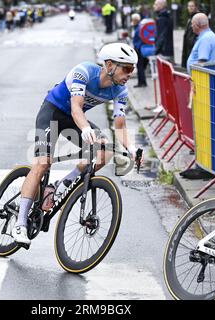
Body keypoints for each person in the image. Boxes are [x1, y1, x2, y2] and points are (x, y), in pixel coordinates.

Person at [11, 43, 144, 246]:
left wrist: (132, 149)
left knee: (105, 150)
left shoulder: (120, 91)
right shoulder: (84, 72)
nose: (130, 74)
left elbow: (120, 125)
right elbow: (76, 108)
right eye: (126, 68)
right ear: (109, 65)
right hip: (53, 113)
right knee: (43, 163)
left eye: (132, 69)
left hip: (74, 119)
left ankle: (63, 183)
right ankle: (19, 223)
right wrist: (85, 129)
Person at [181, 1, 200, 69]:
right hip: (188, 48)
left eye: (192, 6)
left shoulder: (198, 17)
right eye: (189, 6)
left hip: (192, 48)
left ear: (196, 7)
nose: (190, 8)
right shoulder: (190, 18)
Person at [131, 13, 148, 88]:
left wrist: (137, 47)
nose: (132, 21)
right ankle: (142, 82)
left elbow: (141, 39)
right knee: (140, 67)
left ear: (135, 20)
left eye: (133, 20)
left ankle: (141, 82)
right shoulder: (139, 27)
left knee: (140, 67)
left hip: (139, 49)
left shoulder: (138, 28)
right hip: (140, 49)